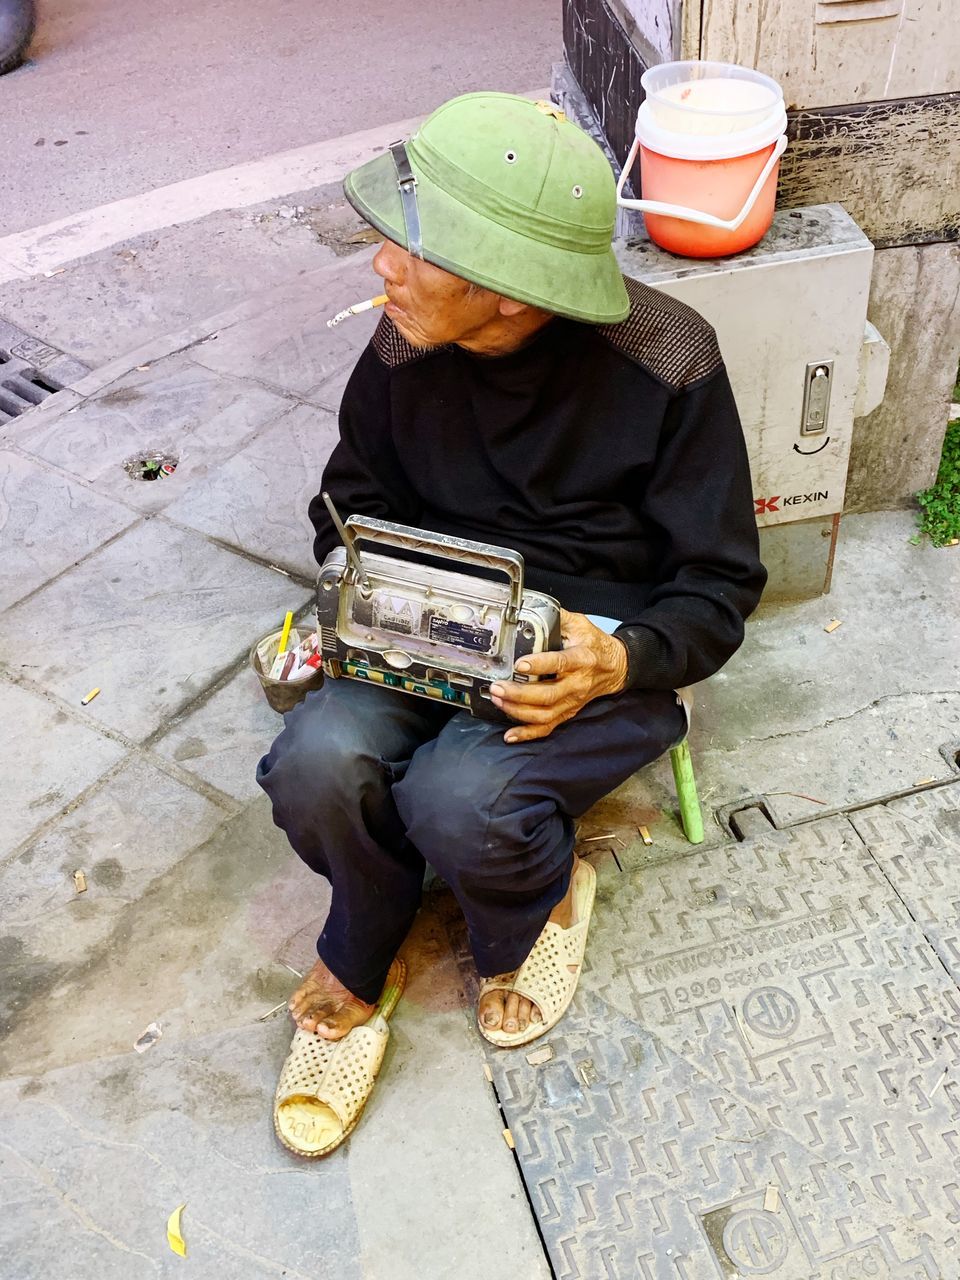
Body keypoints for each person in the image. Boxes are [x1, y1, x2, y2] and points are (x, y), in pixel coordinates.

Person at [258, 92, 766, 1158]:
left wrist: (616, 656)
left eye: (412, 248)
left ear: (502, 288)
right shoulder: (406, 348)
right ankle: (367, 928)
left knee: (462, 795)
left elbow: (718, 587)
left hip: (596, 647)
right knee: (315, 758)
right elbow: (345, 504)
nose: (381, 267)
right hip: (431, 626)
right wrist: (381, 595)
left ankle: (527, 904)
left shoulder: (668, 358)